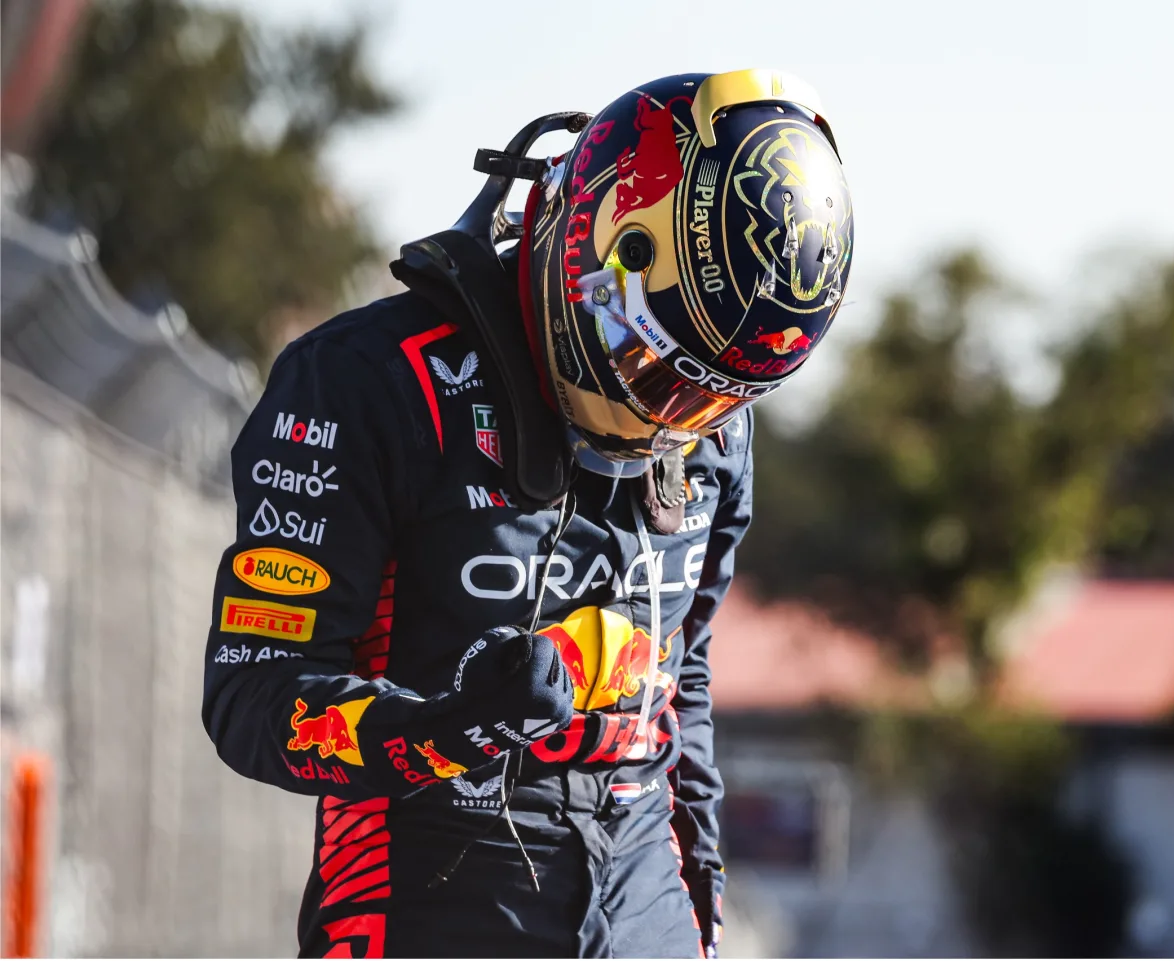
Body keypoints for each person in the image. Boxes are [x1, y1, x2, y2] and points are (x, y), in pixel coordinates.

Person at [201, 68, 853, 959]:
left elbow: (682, 687)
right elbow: (253, 695)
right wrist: (451, 726)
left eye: (710, 398)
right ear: (594, 246)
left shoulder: (713, 440)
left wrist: (700, 925)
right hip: (426, 910)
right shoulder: (363, 384)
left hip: (645, 911)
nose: (674, 419)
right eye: (660, 370)